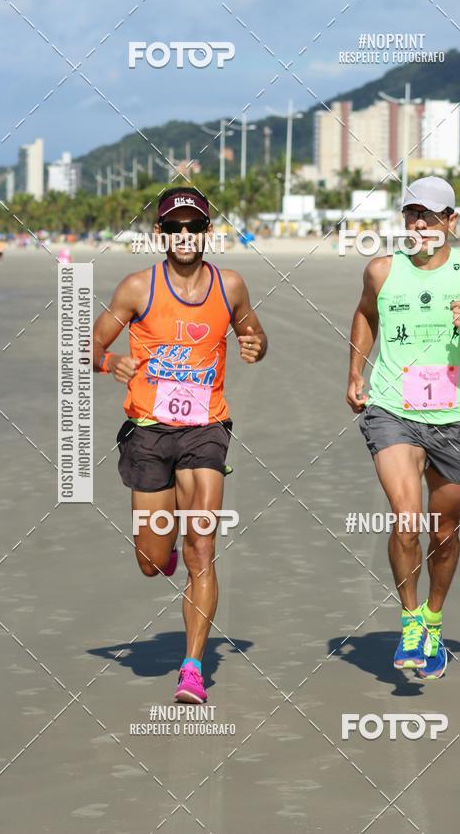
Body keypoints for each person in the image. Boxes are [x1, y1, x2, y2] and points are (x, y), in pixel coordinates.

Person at [93, 186, 267, 702]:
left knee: (202, 549)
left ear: (206, 233)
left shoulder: (230, 285)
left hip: (206, 430)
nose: (185, 236)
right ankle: (159, 551)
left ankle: (192, 668)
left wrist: (256, 344)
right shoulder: (135, 288)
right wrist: (109, 363)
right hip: (148, 432)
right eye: (175, 228)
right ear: (160, 235)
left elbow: (251, 331)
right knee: (151, 560)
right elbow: (90, 343)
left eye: (194, 228)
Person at [347, 176, 460, 680]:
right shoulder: (382, 270)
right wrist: (356, 371)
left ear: (451, 221)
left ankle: (433, 618)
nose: (420, 224)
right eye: (411, 214)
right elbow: (365, 317)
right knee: (407, 519)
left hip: (455, 416)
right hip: (392, 409)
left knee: (443, 533)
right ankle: (409, 622)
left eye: (431, 215)